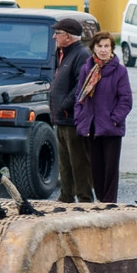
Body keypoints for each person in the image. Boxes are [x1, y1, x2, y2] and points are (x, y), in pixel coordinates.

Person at [73, 30, 132, 205]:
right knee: (95, 169)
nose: (103, 50)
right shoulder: (87, 68)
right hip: (91, 126)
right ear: (93, 48)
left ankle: (110, 203)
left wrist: (114, 119)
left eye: (107, 46)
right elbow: (79, 96)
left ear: (112, 49)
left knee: (110, 170)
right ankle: (100, 201)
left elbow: (126, 100)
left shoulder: (119, 71)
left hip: (111, 127)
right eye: (100, 46)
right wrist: (79, 119)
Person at [47, 15, 93, 202]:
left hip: (72, 119)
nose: (54, 37)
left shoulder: (81, 55)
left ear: (69, 36)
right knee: (65, 162)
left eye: (57, 33)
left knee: (78, 162)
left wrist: (65, 105)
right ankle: (66, 196)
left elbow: (81, 86)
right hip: (61, 118)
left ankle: (85, 198)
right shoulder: (63, 54)